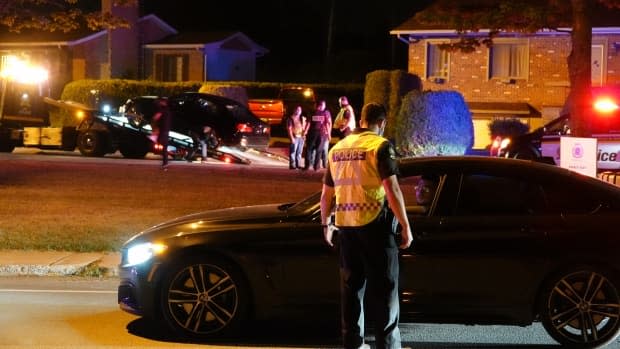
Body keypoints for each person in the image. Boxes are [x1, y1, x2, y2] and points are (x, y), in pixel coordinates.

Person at [320, 102, 413, 349]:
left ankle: (353, 344)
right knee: (385, 293)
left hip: (346, 229)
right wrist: (405, 225)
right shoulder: (380, 146)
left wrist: (326, 224)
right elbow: (392, 189)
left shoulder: (338, 148)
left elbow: (326, 195)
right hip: (376, 228)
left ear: (361, 119)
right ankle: (388, 346)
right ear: (381, 123)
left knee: (351, 292)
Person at [303, 100, 331, 171]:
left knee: (309, 149)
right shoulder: (325, 113)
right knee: (319, 150)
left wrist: (305, 131)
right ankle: (316, 167)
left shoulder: (312, 113)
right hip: (321, 134)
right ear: (321, 105)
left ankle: (307, 165)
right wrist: (328, 134)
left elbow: (308, 123)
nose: (324, 107)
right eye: (324, 105)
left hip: (312, 133)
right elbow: (327, 124)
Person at [151, 97, 172, 170]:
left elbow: (155, 118)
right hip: (166, 130)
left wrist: (154, 127)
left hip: (163, 131)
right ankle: (165, 163)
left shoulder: (162, 110)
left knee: (159, 144)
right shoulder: (168, 110)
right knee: (164, 148)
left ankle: (165, 163)